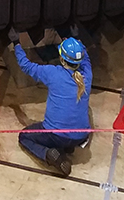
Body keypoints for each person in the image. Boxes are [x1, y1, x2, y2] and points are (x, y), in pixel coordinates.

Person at [12, 36, 93, 176]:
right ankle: (66, 148)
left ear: (62, 58)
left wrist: (16, 44)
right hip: (81, 136)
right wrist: (79, 42)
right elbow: (86, 58)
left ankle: (49, 154)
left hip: (56, 135)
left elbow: (26, 66)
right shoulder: (87, 74)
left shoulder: (53, 73)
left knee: (25, 136)